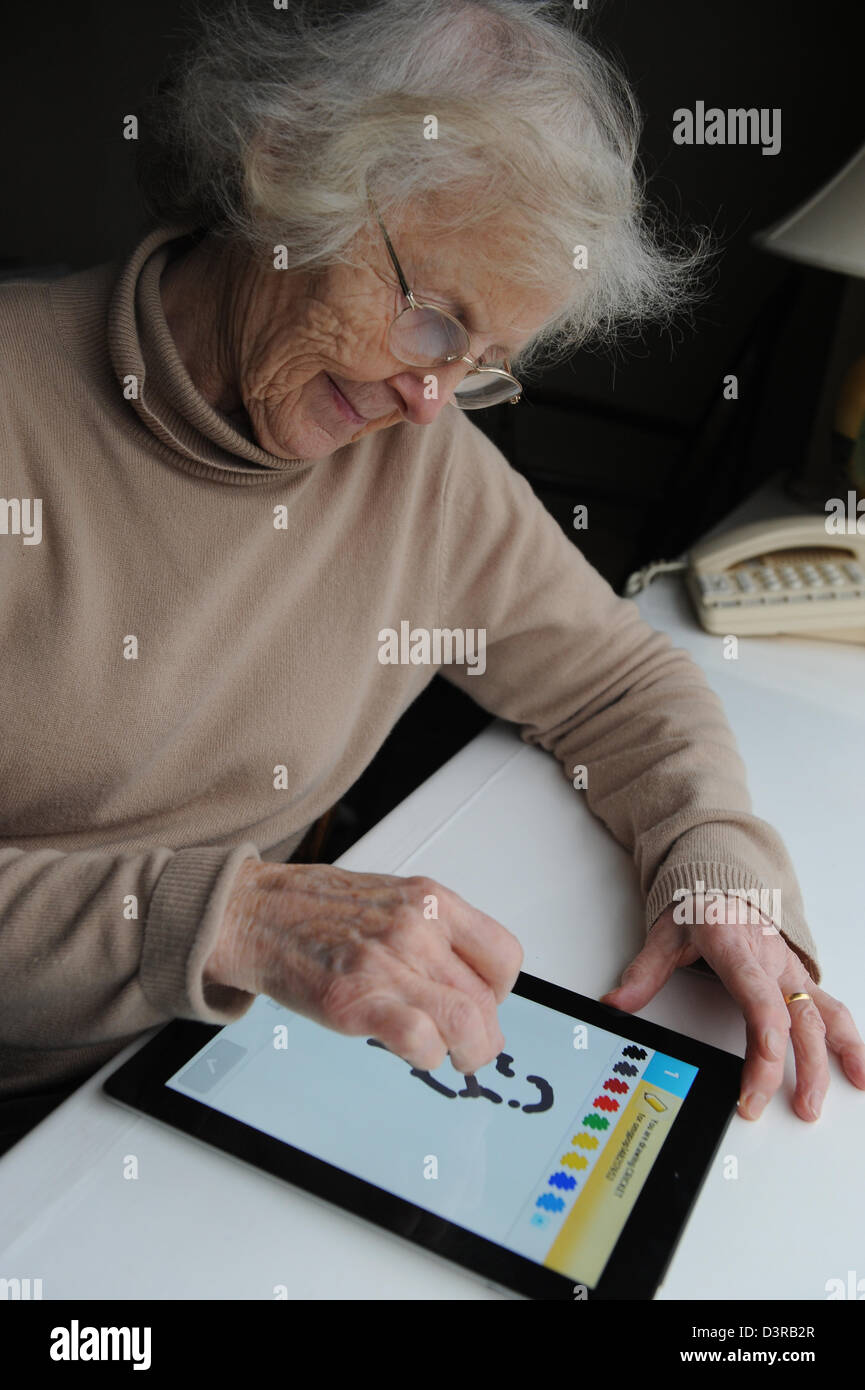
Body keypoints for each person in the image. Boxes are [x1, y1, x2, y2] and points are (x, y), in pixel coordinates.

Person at [1, 0, 862, 1157]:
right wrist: (229, 917)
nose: (431, 399)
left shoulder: (416, 456)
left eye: (485, 363)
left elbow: (615, 681)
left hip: (217, 1065)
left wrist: (714, 862)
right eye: (430, 318)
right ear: (282, 169)